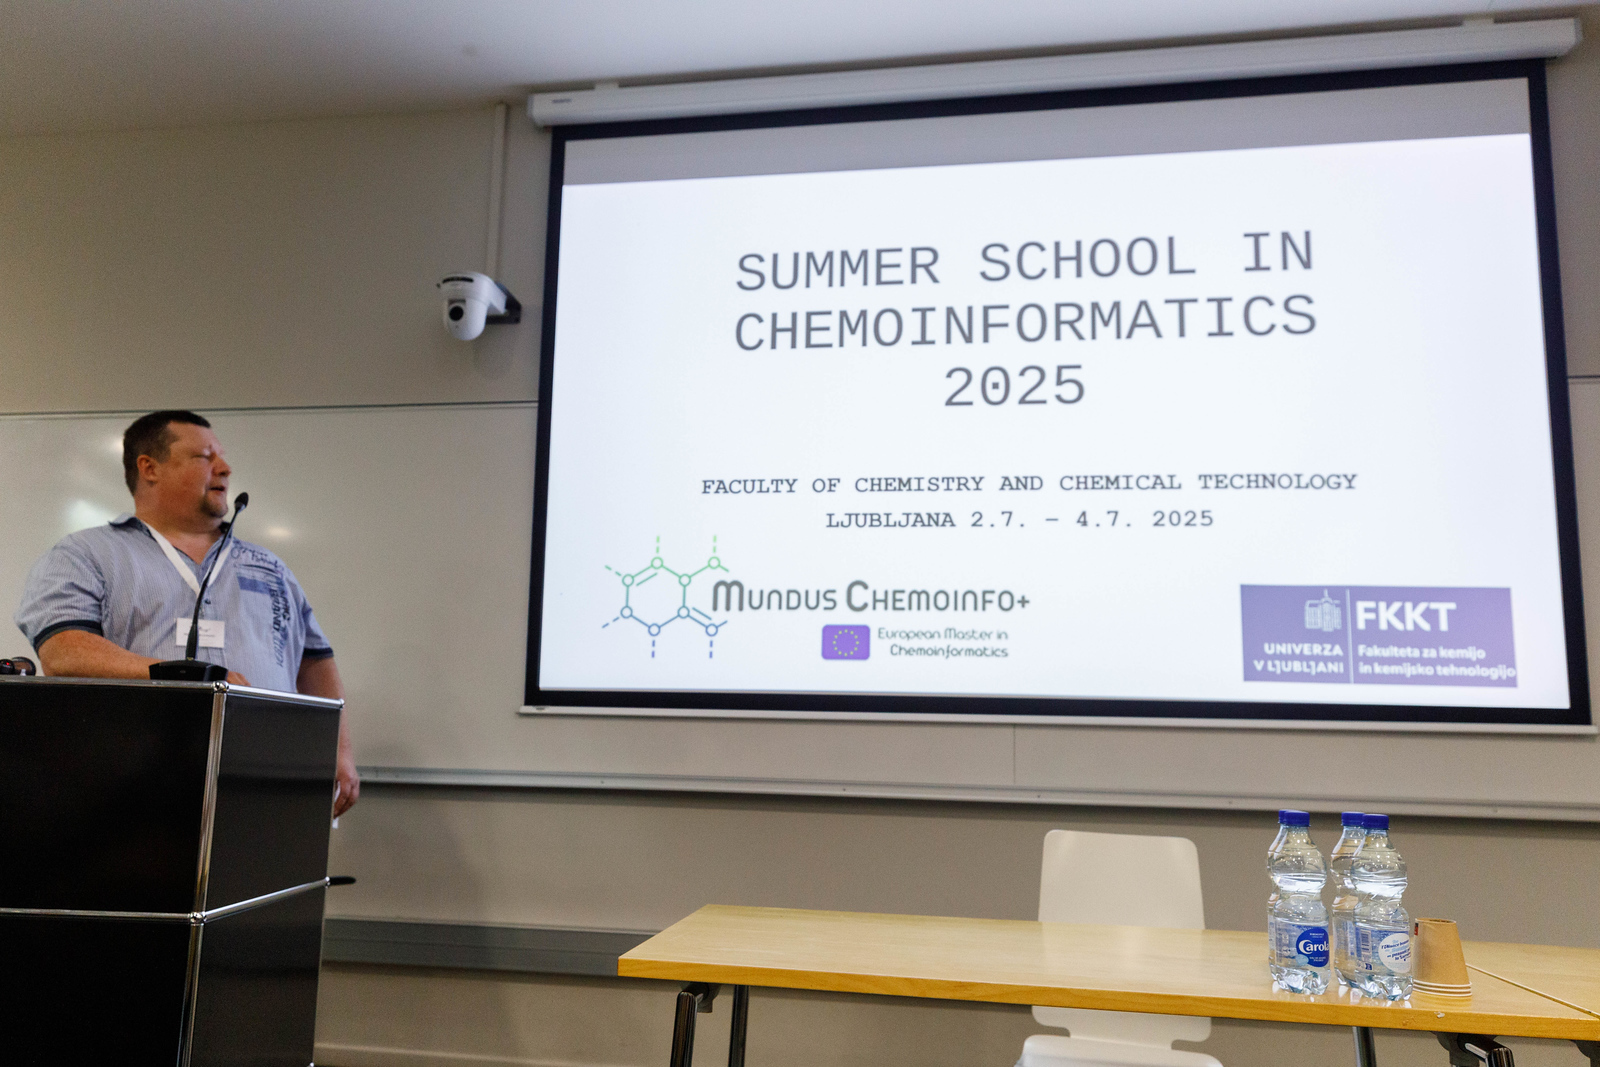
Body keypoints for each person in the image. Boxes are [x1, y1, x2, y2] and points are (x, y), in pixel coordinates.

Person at [14, 410, 359, 816]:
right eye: (205, 457)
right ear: (150, 468)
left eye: (222, 457)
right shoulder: (85, 555)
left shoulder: (269, 566)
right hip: (130, 789)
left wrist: (339, 750)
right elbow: (64, 652)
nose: (225, 468)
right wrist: (188, 675)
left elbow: (315, 661)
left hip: (264, 782)